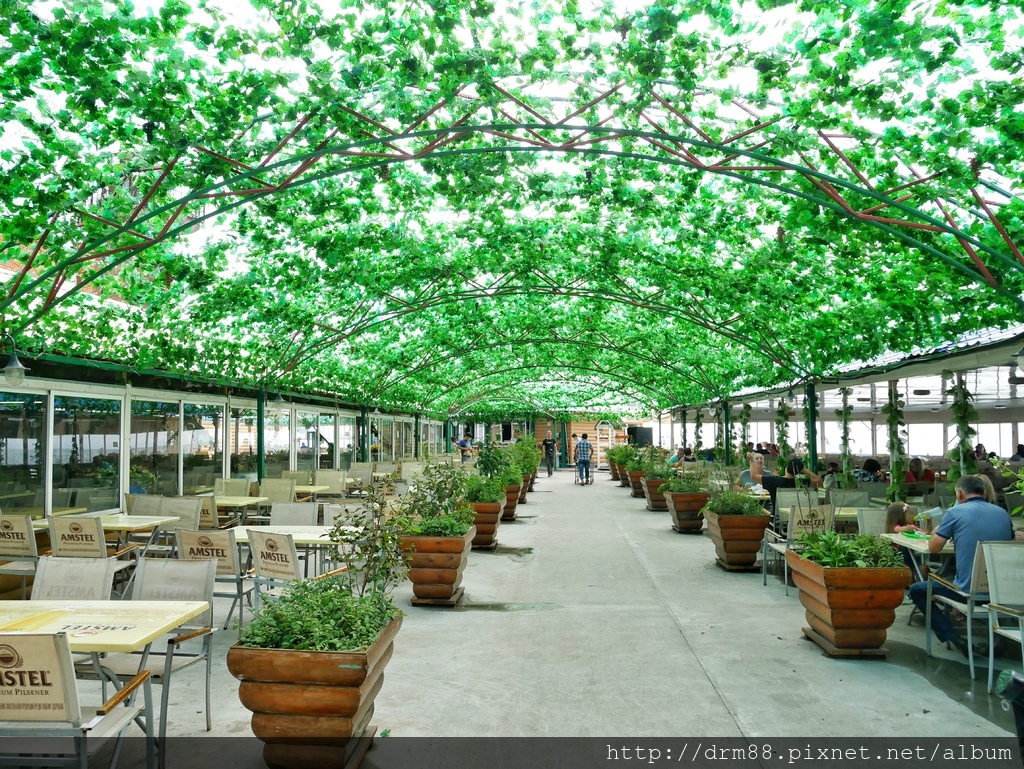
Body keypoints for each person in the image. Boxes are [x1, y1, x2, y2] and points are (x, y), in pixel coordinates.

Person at [908, 475, 1013, 656]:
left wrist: (941, 531)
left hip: (967, 592)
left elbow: (934, 548)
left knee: (917, 590)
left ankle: (955, 638)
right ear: (984, 492)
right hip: (1000, 593)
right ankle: (998, 636)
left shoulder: (956, 513)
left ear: (959, 494)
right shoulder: (1002, 513)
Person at [752, 457, 822, 511]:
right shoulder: (803, 483)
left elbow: (753, 476)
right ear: (799, 471)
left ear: (786, 468)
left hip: (779, 519)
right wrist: (804, 469)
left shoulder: (773, 481)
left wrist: (751, 460)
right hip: (799, 518)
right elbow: (819, 481)